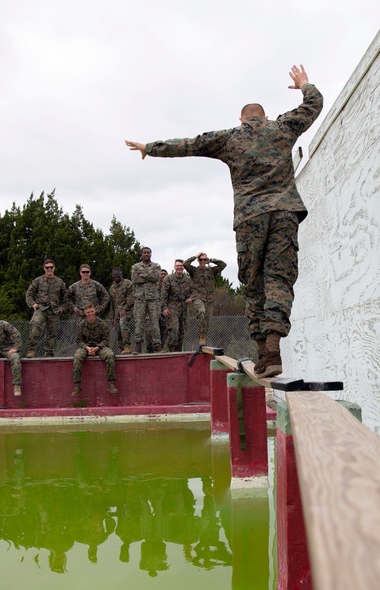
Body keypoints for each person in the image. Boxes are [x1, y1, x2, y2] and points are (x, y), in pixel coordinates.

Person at [126, 64, 323, 377]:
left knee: (253, 283)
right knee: (279, 280)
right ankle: (272, 350)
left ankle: (263, 351)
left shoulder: (230, 138)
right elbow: (313, 105)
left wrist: (150, 148)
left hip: (250, 219)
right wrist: (304, 84)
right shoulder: (283, 128)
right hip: (285, 213)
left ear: (241, 120)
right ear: (266, 116)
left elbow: (190, 144)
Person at [72, 303, 118, 396]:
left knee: (110, 355)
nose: (90, 313)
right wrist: (87, 348)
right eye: (88, 312)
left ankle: (111, 384)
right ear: (85, 313)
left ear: (95, 311)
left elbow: (106, 339)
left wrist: (97, 348)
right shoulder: (81, 325)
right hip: (86, 347)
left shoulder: (102, 324)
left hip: (100, 347)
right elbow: (79, 340)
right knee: (77, 357)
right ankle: (77, 386)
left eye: (92, 311)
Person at [25, 259, 67, 357]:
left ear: (54, 268)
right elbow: (29, 293)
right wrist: (32, 304)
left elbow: (66, 297)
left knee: (52, 332)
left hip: (54, 310)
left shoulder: (59, 282)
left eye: (51, 267)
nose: (49, 269)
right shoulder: (38, 281)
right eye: (47, 267)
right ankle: (31, 350)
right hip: (41, 308)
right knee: (35, 325)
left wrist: (63, 308)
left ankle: (49, 353)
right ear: (44, 269)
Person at [183, 253, 227, 346]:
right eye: (201, 259)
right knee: (201, 312)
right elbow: (186, 264)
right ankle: (202, 334)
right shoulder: (194, 270)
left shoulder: (211, 271)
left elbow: (223, 265)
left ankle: (204, 339)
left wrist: (211, 260)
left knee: (206, 320)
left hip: (209, 299)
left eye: (204, 259)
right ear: (198, 261)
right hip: (198, 297)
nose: (202, 261)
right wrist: (195, 256)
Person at [130, 247, 162, 354]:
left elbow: (156, 277)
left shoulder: (156, 266)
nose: (146, 254)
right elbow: (135, 279)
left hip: (153, 299)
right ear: (141, 254)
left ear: (151, 254)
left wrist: (143, 275)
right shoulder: (135, 266)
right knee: (139, 322)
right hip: (140, 298)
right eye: (144, 253)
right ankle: (138, 346)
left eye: (148, 253)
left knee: (154, 322)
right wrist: (149, 276)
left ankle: (157, 346)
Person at [161, 259, 193, 352]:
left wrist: (190, 298)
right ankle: (170, 350)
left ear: (183, 267)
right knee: (174, 329)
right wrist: (164, 308)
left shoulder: (187, 279)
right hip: (172, 308)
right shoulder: (169, 279)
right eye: (177, 265)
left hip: (184, 308)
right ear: (174, 267)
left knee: (181, 331)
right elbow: (163, 295)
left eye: (181, 266)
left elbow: (193, 292)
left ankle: (178, 352)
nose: (179, 267)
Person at [109, 267, 135, 354]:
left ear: (121, 274)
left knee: (123, 322)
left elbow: (131, 298)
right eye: (114, 274)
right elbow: (112, 304)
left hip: (128, 311)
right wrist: (112, 317)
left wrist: (125, 308)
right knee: (118, 331)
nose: (116, 276)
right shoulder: (112, 288)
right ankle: (122, 348)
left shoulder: (128, 283)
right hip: (117, 313)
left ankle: (127, 346)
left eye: (118, 274)